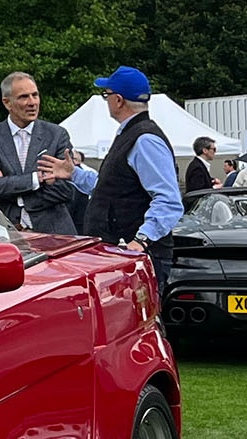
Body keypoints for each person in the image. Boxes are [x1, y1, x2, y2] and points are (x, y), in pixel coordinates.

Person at [38, 66, 183, 287]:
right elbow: (112, 189)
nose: (106, 101)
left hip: (136, 257)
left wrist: (141, 241)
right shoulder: (132, 134)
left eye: (106, 95)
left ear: (118, 100)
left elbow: (169, 201)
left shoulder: (145, 139)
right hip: (121, 253)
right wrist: (74, 174)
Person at [0, 72, 76, 233]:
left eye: (35, 95)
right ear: (7, 103)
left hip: (54, 235)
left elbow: (65, 190)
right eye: (23, 97)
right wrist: (36, 179)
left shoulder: (56, 135)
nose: (32, 102)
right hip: (7, 235)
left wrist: (12, 190)